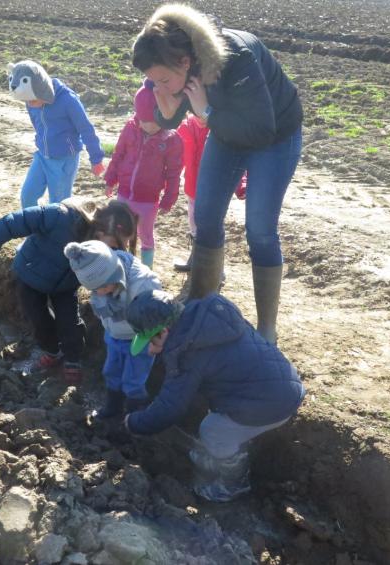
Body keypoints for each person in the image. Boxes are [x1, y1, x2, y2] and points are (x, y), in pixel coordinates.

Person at [132, 4, 304, 342]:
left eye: (163, 79)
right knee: (207, 216)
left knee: (260, 230)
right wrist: (165, 105)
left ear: (185, 62)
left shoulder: (235, 56)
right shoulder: (177, 62)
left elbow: (261, 131)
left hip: (274, 134)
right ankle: (200, 307)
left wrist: (207, 113)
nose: (160, 85)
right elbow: (171, 113)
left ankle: (266, 328)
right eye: (154, 81)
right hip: (226, 127)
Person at [123, 289, 305, 502]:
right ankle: (223, 449)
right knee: (210, 407)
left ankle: (233, 483)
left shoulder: (186, 352)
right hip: (282, 384)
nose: (149, 350)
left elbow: (169, 408)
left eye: (150, 342)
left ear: (163, 332)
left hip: (273, 404)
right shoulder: (205, 319)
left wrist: (134, 423)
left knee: (213, 430)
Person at [0, 198, 97, 384]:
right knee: (37, 316)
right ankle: (52, 349)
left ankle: (73, 358)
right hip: (30, 274)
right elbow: (19, 221)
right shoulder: (58, 215)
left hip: (65, 284)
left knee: (69, 321)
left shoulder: (97, 235)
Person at [64, 240, 162, 418]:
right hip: (113, 334)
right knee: (111, 372)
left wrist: (156, 340)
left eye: (104, 287)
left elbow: (158, 315)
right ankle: (113, 407)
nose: (100, 293)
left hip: (139, 338)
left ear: (115, 274)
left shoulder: (143, 285)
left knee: (133, 380)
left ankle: (135, 415)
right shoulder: (100, 281)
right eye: (94, 290)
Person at [104, 79, 183, 269]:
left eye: (154, 122)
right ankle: (119, 264)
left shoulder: (171, 140)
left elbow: (174, 173)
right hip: (124, 193)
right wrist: (110, 179)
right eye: (144, 121)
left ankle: (146, 269)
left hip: (148, 200)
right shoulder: (130, 128)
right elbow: (118, 154)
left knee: (146, 235)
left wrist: (169, 198)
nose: (148, 126)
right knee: (119, 230)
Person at [7, 60, 106, 209]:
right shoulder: (30, 98)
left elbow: (86, 128)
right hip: (42, 156)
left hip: (64, 159)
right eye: (26, 101)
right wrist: (40, 140)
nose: (30, 104)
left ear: (42, 89)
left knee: (59, 206)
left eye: (33, 100)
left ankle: (58, 231)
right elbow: (38, 124)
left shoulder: (68, 100)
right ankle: (35, 228)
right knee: (27, 196)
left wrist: (96, 158)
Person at [174, 114, 246, 272]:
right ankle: (195, 258)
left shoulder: (220, 129)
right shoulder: (185, 128)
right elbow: (177, 158)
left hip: (213, 189)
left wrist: (241, 185)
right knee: (194, 222)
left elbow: (234, 160)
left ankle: (216, 269)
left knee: (212, 225)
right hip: (192, 187)